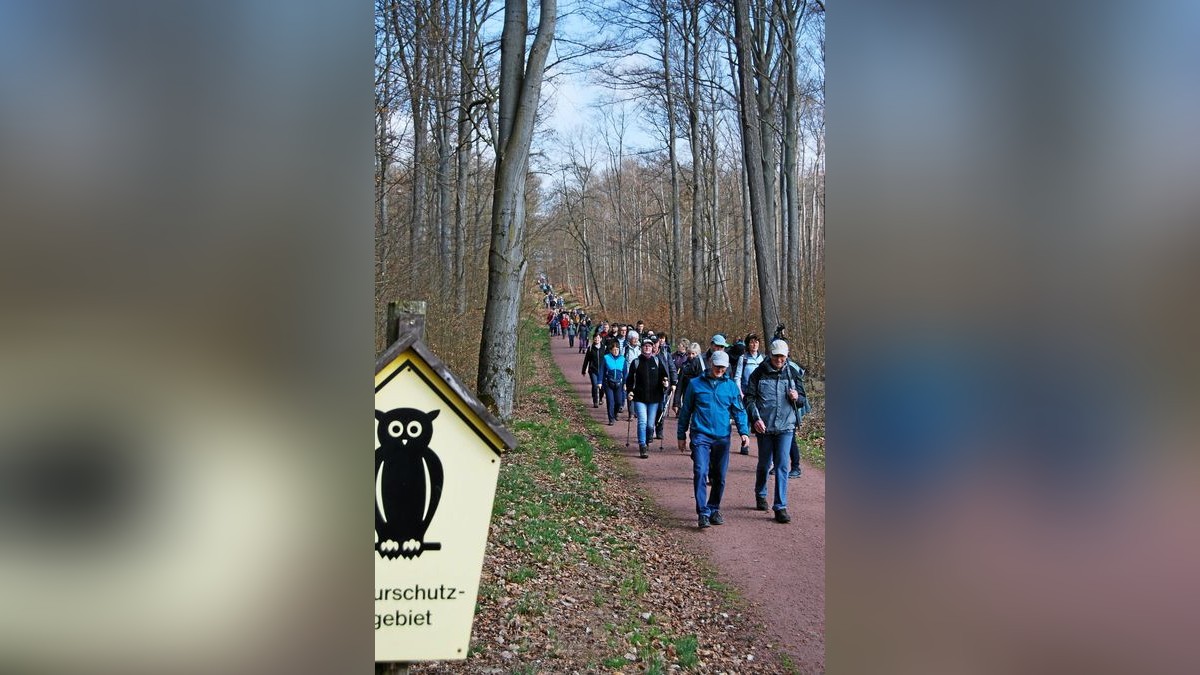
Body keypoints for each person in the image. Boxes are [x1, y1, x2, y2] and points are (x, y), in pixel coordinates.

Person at [677, 350, 750, 529]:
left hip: (722, 437)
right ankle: (702, 512)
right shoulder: (695, 384)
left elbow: (739, 411)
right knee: (700, 471)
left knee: (720, 476)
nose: (719, 370)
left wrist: (744, 432)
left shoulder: (731, 387)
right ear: (711, 364)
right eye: (717, 367)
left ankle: (714, 508)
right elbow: (686, 411)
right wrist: (681, 435)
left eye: (723, 368)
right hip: (700, 434)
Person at [744, 339, 803, 524]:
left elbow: (803, 400)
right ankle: (760, 493)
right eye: (776, 356)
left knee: (782, 465)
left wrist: (797, 397)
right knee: (764, 463)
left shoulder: (793, 372)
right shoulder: (758, 373)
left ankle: (780, 507)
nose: (779, 360)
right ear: (770, 355)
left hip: (786, 426)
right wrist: (755, 419)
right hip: (765, 426)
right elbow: (749, 398)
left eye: (782, 357)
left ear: (786, 356)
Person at [626, 338, 669, 458]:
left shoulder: (657, 361)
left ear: (652, 348)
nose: (647, 348)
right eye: (645, 346)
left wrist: (665, 383)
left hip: (654, 398)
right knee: (642, 421)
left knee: (650, 425)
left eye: (649, 346)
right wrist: (630, 392)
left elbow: (664, 376)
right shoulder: (636, 362)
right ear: (642, 348)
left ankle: (647, 438)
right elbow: (629, 380)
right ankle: (642, 446)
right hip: (639, 397)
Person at [599, 341, 626, 425]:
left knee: (618, 402)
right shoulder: (606, 358)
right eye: (614, 350)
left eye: (617, 349)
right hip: (608, 382)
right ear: (610, 350)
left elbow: (625, 373)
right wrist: (599, 382)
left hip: (619, 383)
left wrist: (625, 383)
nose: (616, 351)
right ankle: (611, 419)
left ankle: (614, 414)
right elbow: (601, 370)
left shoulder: (622, 359)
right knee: (610, 401)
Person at [581, 334, 605, 408]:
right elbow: (586, 360)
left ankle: (600, 398)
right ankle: (595, 401)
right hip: (593, 370)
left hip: (602, 370)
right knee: (595, 385)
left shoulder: (604, 348)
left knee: (602, 386)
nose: (597, 339)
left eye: (598, 338)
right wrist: (584, 370)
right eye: (595, 338)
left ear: (601, 339)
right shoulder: (590, 348)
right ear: (593, 339)